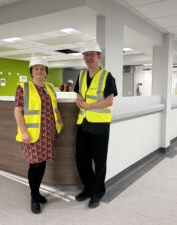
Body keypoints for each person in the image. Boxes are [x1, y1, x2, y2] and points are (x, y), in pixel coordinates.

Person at [14, 56, 63, 214]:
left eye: (42, 68)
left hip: (48, 132)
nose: (39, 71)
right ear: (31, 71)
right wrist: (23, 131)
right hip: (32, 133)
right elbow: (17, 111)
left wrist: (60, 122)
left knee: (41, 163)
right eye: (36, 68)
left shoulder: (50, 87)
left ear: (46, 72)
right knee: (34, 164)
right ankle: (34, 196)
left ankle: (37, 192)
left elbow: (55, 108)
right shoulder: (23, 87)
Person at [74, 40, 118, 208]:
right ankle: (88, 187)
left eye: (91, 54)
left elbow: (109, 101)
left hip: (100, 125)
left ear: (98, 56)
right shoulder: (81, 75)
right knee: (81, 158)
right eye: (85, 55)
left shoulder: (107, 76)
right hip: (83, 123)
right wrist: (79, 100)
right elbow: (79, 94)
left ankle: (97, 192)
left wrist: (88, 105)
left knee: (99, 160)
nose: (88, 58)